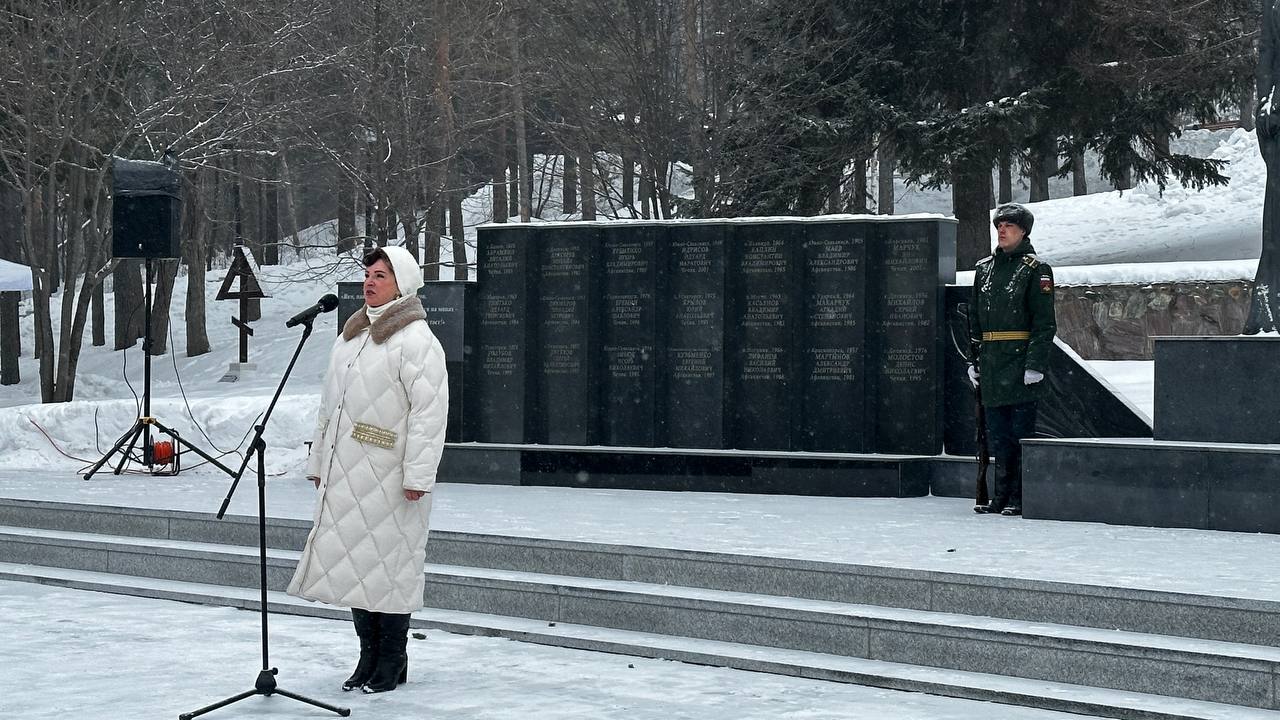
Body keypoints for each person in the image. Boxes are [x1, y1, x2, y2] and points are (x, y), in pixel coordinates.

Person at [286, 245, 448, 693]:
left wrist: (418, 476)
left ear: (404, 284)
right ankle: (368, 656)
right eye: (369, 274)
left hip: (391, 477)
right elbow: (328, 407)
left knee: (390, 569)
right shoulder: (351, 336)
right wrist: (318, 460)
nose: (370, 281)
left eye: (382, 275)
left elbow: (429, 415)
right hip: (346, 475)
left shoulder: (417, 340)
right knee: (357, 568)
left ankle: (393, 658)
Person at [967, 203, 1055, 517]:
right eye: (999, 225)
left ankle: (1018, 495)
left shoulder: (1035, 269)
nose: (1002, 231)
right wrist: (974, 360)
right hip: (991, 365)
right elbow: (975, 321)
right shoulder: (985, 269)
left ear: (1023, 231)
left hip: (1019, 365)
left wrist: (1035, 365)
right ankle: (1000, 496)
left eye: (1009, 226)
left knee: (1020, 435)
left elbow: (1044, 323)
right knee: (997, 435)